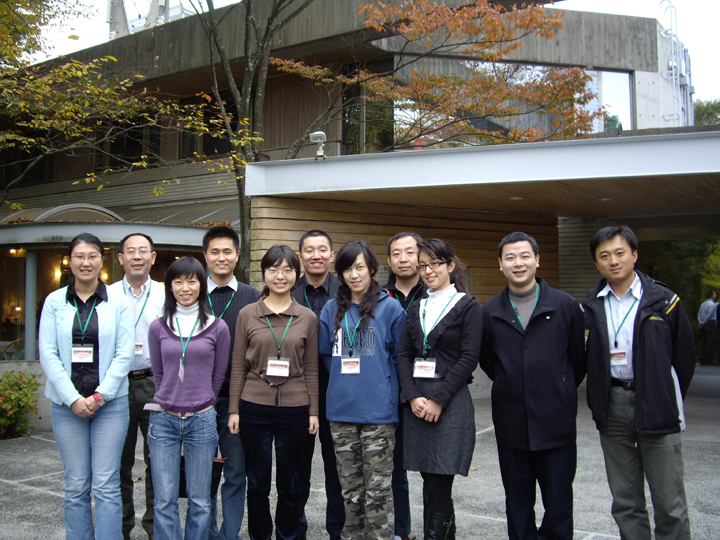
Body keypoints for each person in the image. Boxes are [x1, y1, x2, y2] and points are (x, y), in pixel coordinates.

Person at [583, 225, 695, 540]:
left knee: (669, 502)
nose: (613, 261)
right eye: (604, 255)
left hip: (656, 403)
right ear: (597, 263)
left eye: (620, 253)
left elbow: (685, 358)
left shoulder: (664, 300)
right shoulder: (590, 305)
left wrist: (664, 392)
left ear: (634, 254)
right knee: (625, 500)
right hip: (612, 405)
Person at [479, 232, 585, 540]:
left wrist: (560, 386)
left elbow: (578, 361)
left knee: (559, 503)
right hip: (512, 422)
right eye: (510, 257)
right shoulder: (489, 313)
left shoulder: (566, 306)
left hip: (556, 422)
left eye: (525, 256)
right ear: (500, 264)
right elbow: (489, 362)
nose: (518, 263)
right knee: (518, 504)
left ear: (537, 260)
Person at [39, 232, 134, 540]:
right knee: (76, 484)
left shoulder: (118, 302)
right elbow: (48, 353)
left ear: (102, 260)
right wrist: (72, 398)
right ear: (69, 261)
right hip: (67, 407)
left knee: (106, 484)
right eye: (79, 256)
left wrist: (99, 396)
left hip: (110, 405)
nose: (86, 262)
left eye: (92, 256)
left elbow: (124, 353)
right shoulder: (55, 302)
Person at [229, 245, 319, 540]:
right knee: (257, 483)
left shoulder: (307, 317)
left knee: (290, 483)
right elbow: (238, 365)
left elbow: (311, 368)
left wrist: (314, 411)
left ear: (296, 274)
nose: (280, 276)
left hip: (295, 408)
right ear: (264, 273)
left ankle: (287, 535)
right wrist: (234, 409)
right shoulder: (247, 314)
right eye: (273, 270)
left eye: (287, 270)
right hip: (254, 405)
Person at [318, 240, 406, 540]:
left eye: (359, 267)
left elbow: (399, 357)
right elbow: (327, 356)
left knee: (378, 491)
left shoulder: (390, 307)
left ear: (371, 268)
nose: (354, 275)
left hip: (378, 413)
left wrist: (384, 387)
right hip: (341, 412)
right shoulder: (331, 309)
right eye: (347, 269)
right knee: (350, 489)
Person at [396, 239, 481, 540]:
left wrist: (438, 400)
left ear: (450, 265)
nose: (428, 271)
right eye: (423, 266)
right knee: (429, 480)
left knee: (440, 484)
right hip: (418, 404)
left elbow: (469, 358)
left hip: (449, 403)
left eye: (434, 264)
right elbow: (403, 354)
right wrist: (412, 395)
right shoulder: (418, 307)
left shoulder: (467, 305)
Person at [147, 257, 230, 540]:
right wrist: (172, 396)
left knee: (201, 500)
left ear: (201, 285)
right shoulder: (158, 327)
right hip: (164, 420)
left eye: (192, 281)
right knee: (164, 500)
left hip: (202, 420)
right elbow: (159, 373)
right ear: (170, 286)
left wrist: (202, 400)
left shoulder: (218, 327)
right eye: (178, 281)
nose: (185, 288)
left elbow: (218, 376)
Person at [203, 226, 262, 540]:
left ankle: (230, 534)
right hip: (198, 401)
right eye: (215, 252)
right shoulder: (193, 293)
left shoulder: (252, 297)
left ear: (238, 255)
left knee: (236, 472)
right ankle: (206, 532)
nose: (221, 257)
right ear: (205, 256)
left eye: (227, 251)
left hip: (237, 401)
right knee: (202, 474)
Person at [109, 233, 166, 540]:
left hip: (155, 383)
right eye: (130, 251)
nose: (137, 256)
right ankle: (121, 528)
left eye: (143, 251)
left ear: (152, 257)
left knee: (158, 460)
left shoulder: (166, 293)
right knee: (119, 462)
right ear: (121, 258)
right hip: (115, 385)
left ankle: (155, 528)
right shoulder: (107, 295)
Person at [291, 230, 343, 540]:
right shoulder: (286, 290)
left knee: (338, 469)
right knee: (297, 470)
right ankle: (295, 530)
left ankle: (338, 531)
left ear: (332, 255)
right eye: (309, 250)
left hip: (338, 391)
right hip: (298, 393)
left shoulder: (347, 291)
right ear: (300, 257)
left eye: (322, 249)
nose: (316, 255)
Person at [384, 231, 427, 540]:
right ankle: (401, 530)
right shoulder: (379, 296)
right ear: (389, 260)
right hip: (391, 393)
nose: (403, 259)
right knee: (394, 468)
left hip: (429, 392)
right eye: (396, 253)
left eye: (410, 252)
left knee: (434, 470)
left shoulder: (435, 292)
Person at [698, 290, 718, 365]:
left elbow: (699, 313)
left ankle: (702, 358)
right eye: (714, 294)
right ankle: (709, 359)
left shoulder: (703, 304)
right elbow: (709, 315)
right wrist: (704, 323)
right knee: (711, 341)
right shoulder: (712, 304)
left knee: (704, 341)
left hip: (703, 323)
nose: (715, 295)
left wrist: (700, 322)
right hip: (710, 323)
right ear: (712, 295)